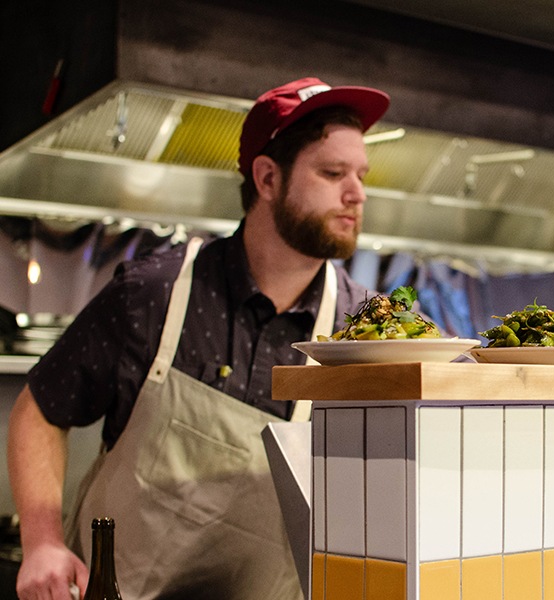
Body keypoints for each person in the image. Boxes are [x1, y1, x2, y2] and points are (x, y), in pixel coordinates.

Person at [7, 76, 391, 600]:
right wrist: (42, 541)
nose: (357, 193)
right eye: (332, 173)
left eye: (361, 175)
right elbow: (41, 408)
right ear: (267, 178)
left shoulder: (361, 329)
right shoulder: (156, 294)